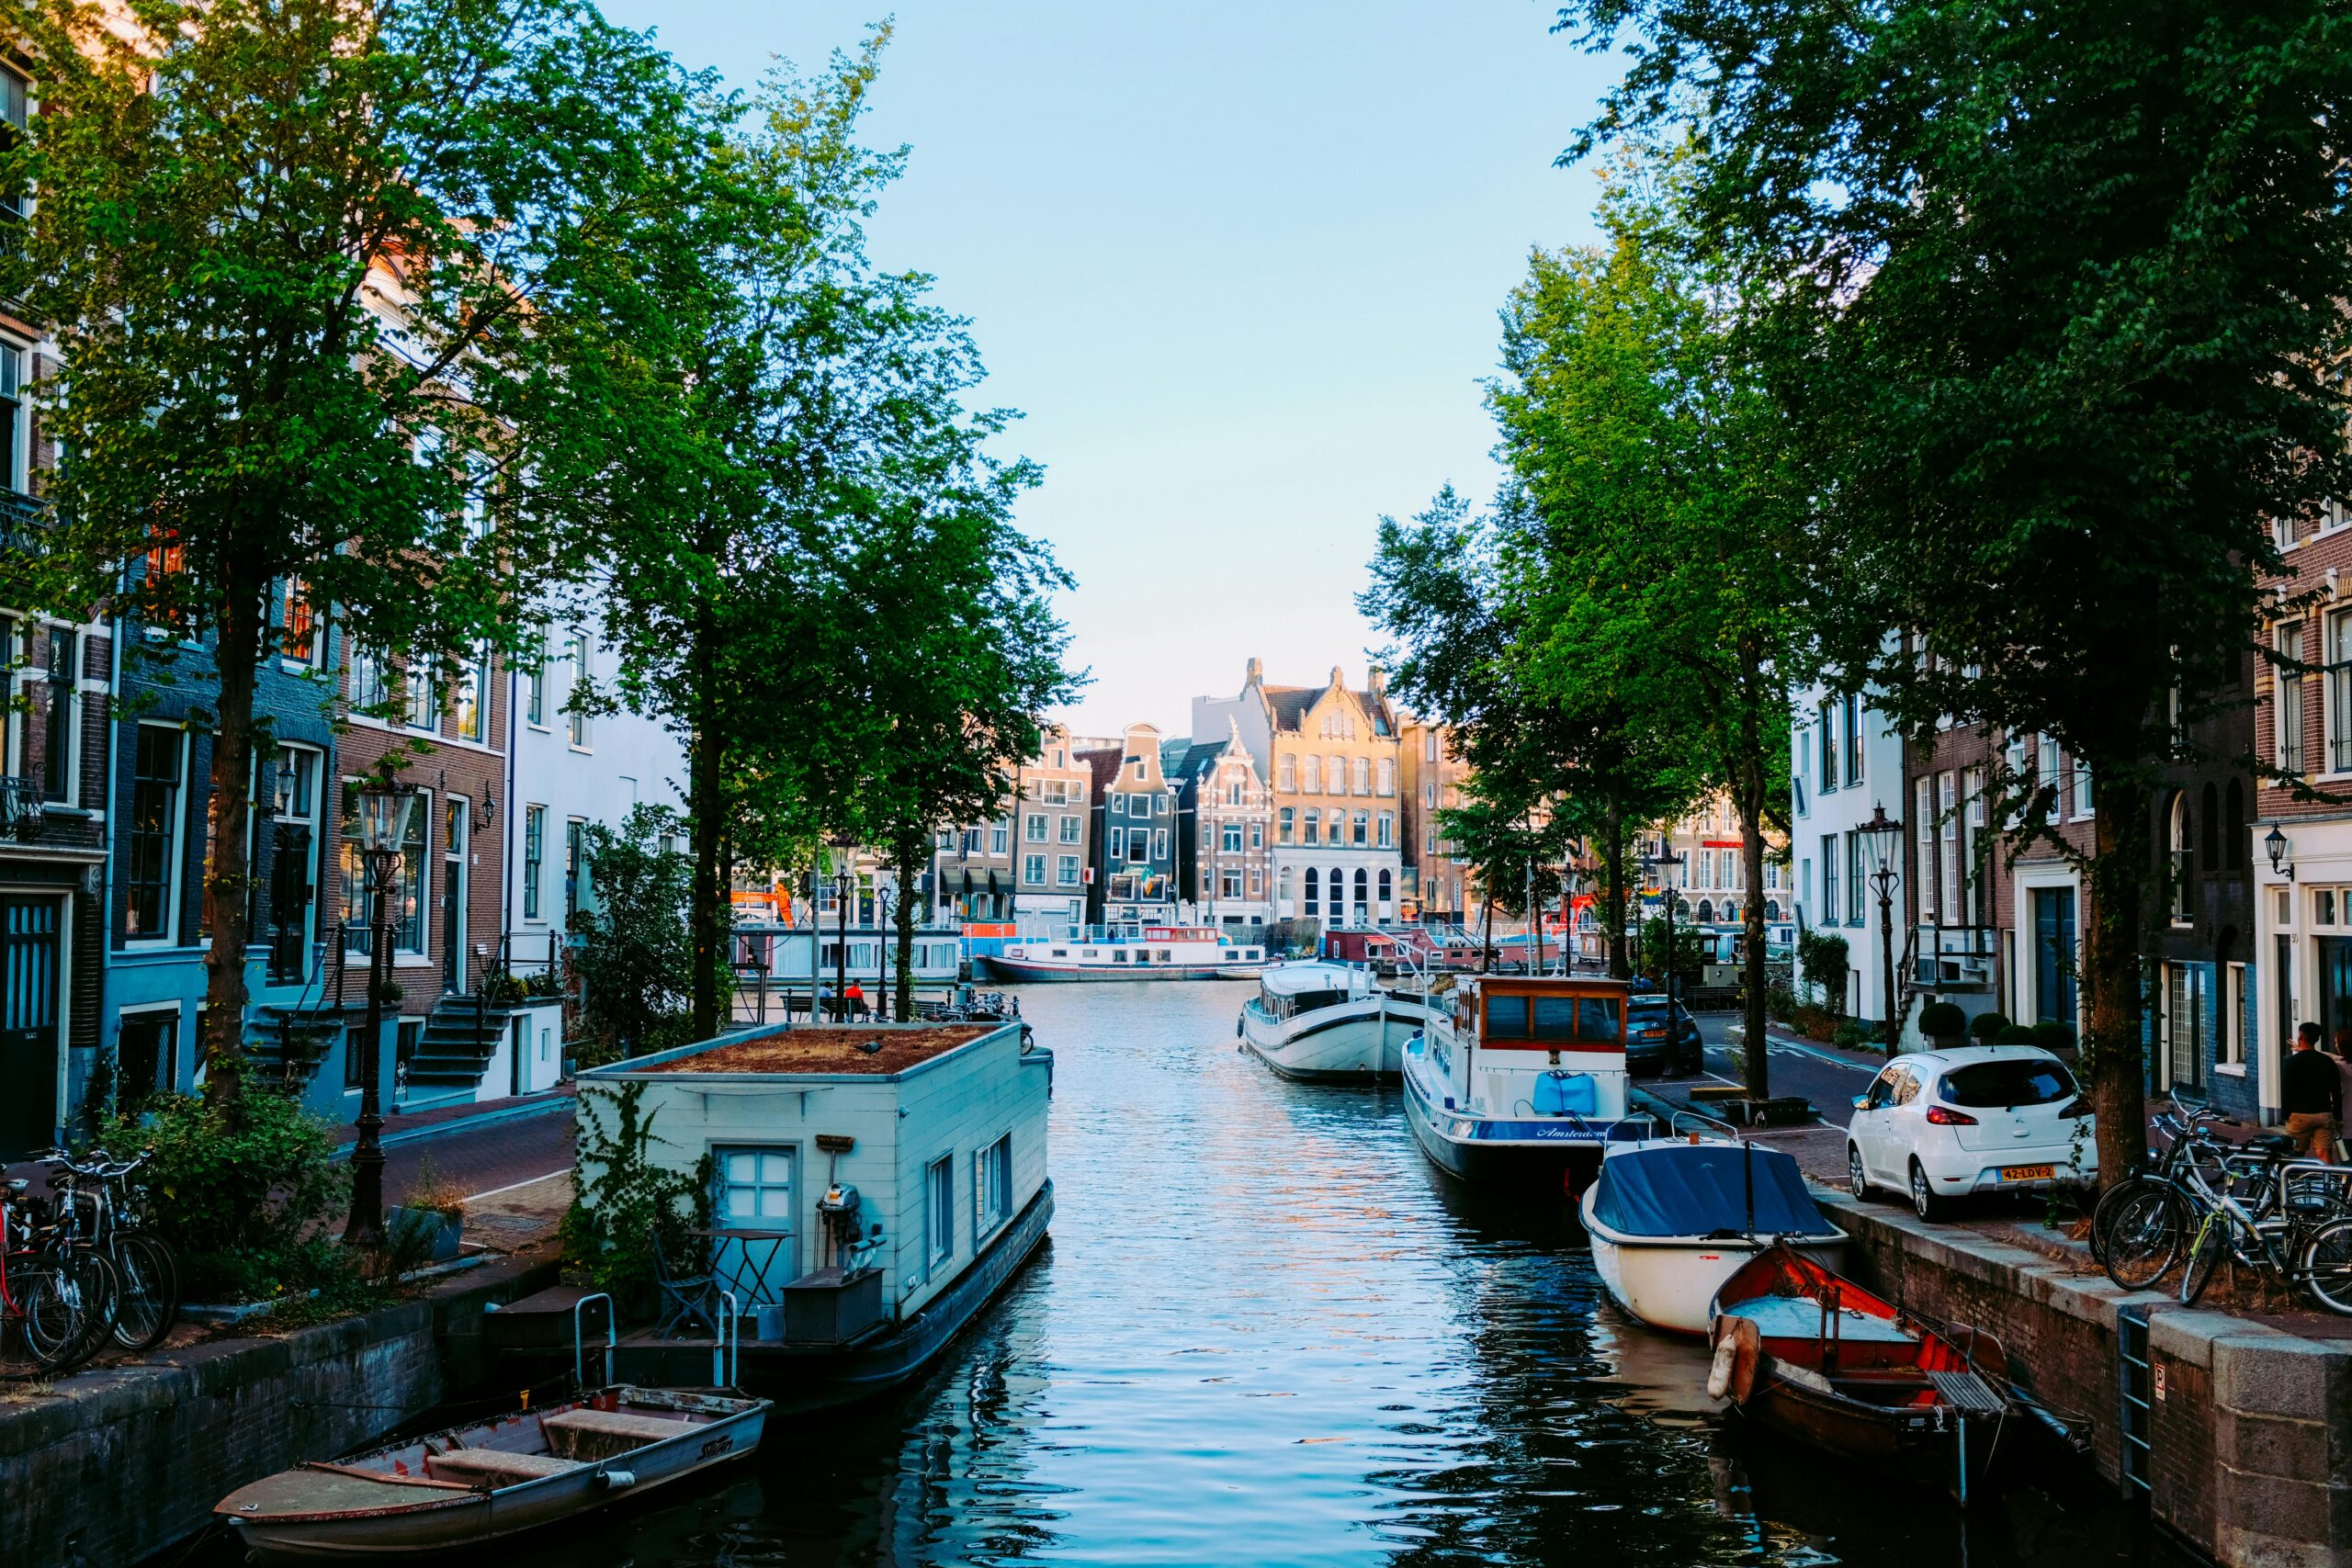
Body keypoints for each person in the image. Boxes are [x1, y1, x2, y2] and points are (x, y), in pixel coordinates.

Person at [2283, 1021, 2342, 1163]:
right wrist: (2337, 1115)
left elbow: (2287, 1090)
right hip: (2323, 1114)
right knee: (2324, 1154)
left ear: (2301, 1037)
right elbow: (2336, 1090)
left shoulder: (2292, 1062)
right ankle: (2329, 1183)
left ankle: (2292, 1182)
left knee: (2294, 1154)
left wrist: (2285, 1114)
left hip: (2299, 1115)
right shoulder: (2327, 1062)